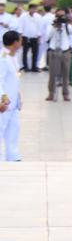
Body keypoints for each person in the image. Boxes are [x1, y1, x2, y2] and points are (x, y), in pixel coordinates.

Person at [0, 31, 21, 160]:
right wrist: (2, 100)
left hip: (13, 102)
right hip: (5, 102)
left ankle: (13, 156)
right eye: (20, 40)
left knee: (13, 130)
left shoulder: (13, 57)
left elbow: (15, 79)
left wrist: (19, 98)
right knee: (1, 129)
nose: (21, 43)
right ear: (15, 42)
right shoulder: (3, 58)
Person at [45, 12, 72, 101]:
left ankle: (65, 93)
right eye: (58, 17)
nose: (60, 20)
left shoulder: (68, 27)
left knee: (66, 73)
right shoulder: (50, 27)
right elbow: (47, 38)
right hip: (54, 51)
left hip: (65, 52)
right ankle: (51, 93)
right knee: (52, 73)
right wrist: (54, 27)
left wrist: (68, 22)